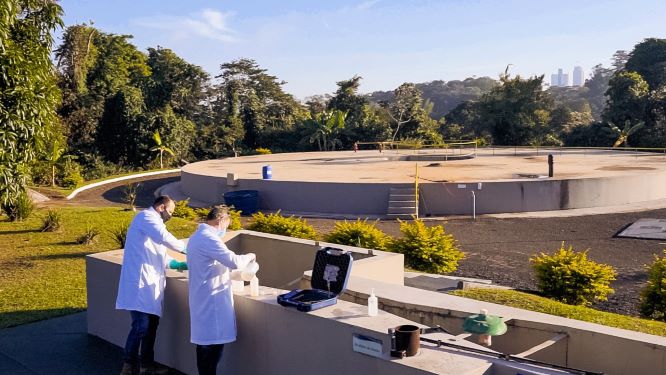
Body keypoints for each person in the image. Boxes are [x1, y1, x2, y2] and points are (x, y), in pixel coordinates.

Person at [116, 195, 188, 375]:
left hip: (150, 284)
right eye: (170, 211)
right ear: (161, 207)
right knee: (141, 327)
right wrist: (187, 249)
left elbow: (159, 255)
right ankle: (128, 365)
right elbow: (164, 238)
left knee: (152, 325)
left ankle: (147, 366)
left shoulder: (154, 225)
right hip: (139, 283)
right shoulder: (146, 218)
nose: (171, 215)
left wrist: (177, 264)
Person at [186, 205, 256, 375]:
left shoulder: (196, 237)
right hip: (211, 302)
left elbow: (213, 265)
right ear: (220, 220)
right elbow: (233, 261)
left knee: (205, 348)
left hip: (202, 297)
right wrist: (250, 256)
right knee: (211, 350)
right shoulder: (209, 238)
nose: (225, 230)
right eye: (226, 226)